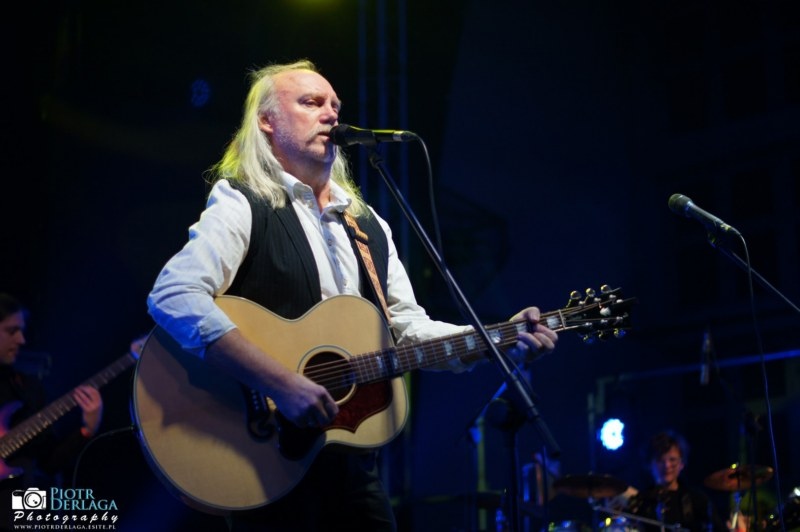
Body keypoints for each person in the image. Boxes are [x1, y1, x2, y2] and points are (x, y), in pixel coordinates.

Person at [146, 58, 559, 531]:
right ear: (267, 121)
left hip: (351, 461)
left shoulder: (368, 226)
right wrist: (281, 383)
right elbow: (174, 294)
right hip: (264, 453)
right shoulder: (243, 200)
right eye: (311, 103)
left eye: (335, 106)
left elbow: (407, 329)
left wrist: (497, 338)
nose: (330, 114)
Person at [0, 293, 104, 491]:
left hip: (16, 503)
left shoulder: (28, 388)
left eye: (21, 331)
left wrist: (87, 429)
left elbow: (49, 464)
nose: (21, 339)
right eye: (12, 331)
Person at [624, 430, 728, 532]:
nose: (667, 465)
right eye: (660, 460)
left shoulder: (697, 499)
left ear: (681, 464)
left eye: (672, 460)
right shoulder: (641, 502)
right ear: (650, 464)